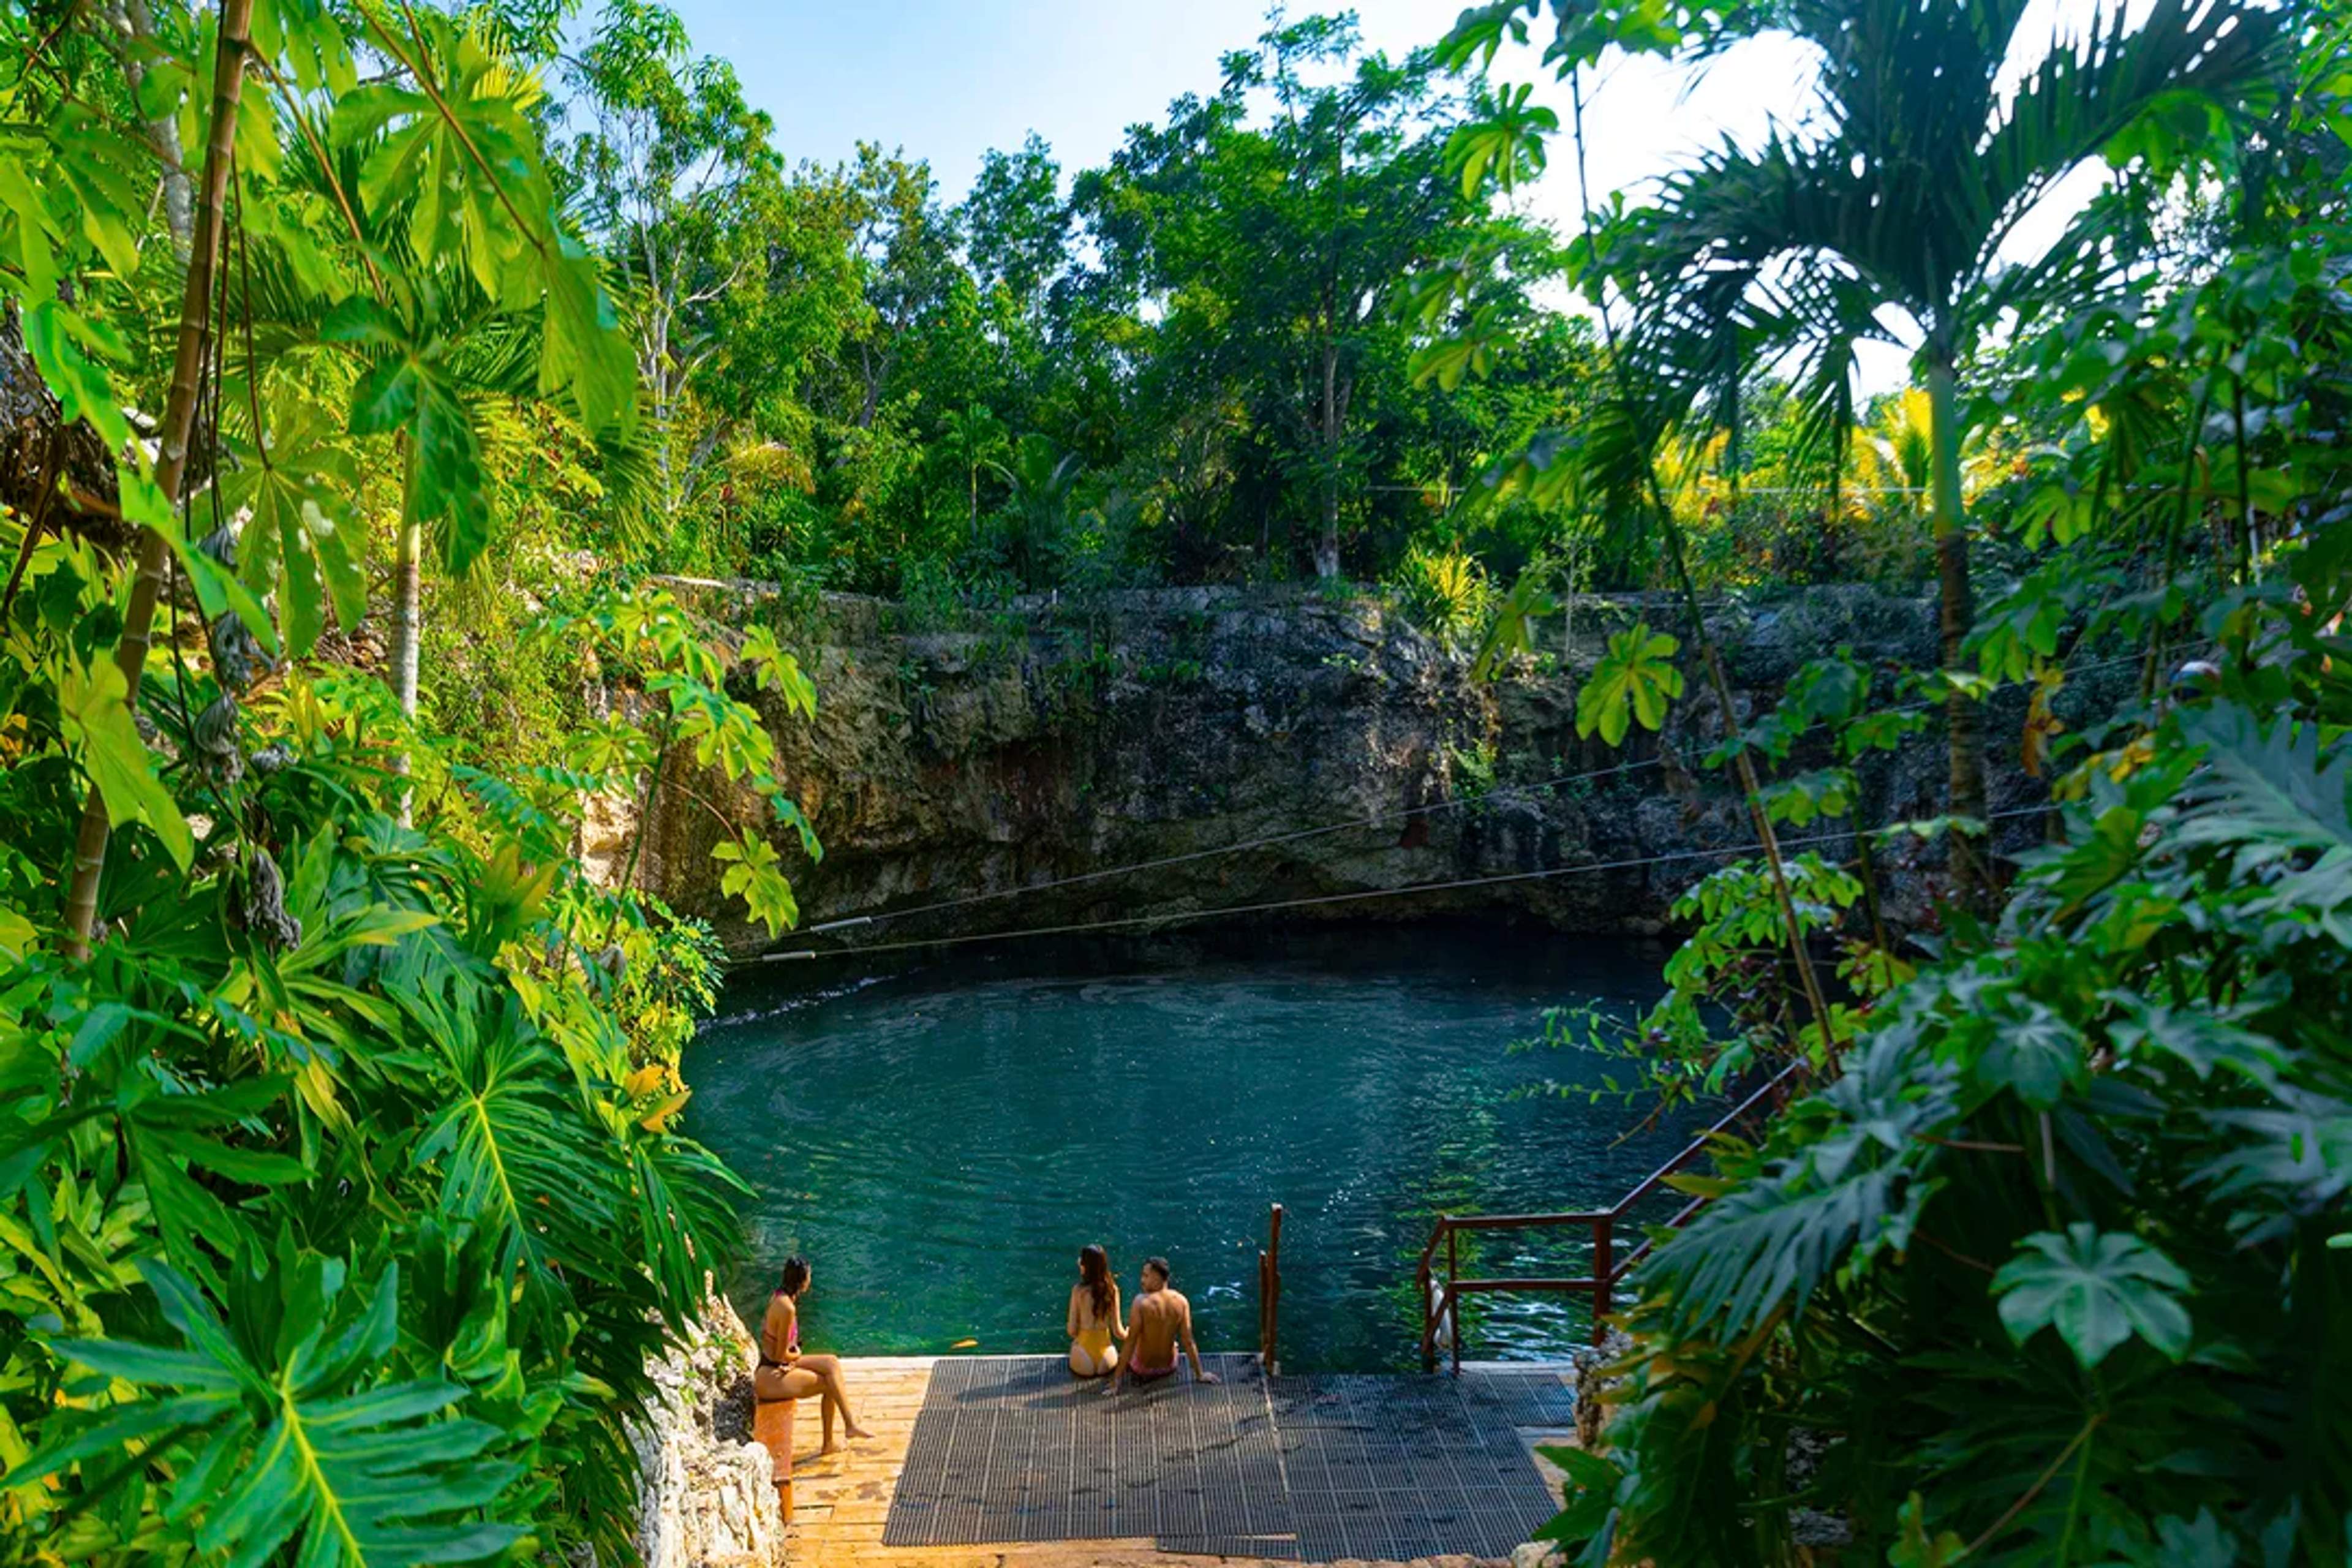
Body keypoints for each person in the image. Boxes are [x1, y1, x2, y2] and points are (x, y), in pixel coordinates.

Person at [755, 1256, 872, 1460]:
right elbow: (782, 1355)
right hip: (770, 1375)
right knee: (829, 1385)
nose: (810, 1280)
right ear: (802, 1281)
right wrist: (797, 1354)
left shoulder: (781, 1296)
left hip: (777, 1364)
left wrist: (791, 1356)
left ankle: (850, 1425)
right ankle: (831, 1441)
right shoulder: (787, 1309)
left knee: (831, 1363)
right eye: (809, 1276)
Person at [1106, 1256, 1218, 1391]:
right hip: (1169, 1367)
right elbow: (1188, 1341)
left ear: (1158, 1277)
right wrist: (1200, 1374)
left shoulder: (1141, 1302)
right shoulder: (1181, 1301)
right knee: (1175, 1343)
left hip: (1142, 1369)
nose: (1142, 1281)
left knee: (1131, 1335)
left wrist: (1116, 1380)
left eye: (1146, 1276)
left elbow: (1130, 1343)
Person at [1066, 1243, 1125, 1377]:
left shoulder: (1078, 1291)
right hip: (1107, 1358)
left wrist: (1078, 1340)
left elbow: (1072, 1330)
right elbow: (1119, 1333)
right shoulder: (1112, 1291)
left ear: (1085, 1266)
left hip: (1083, 1356)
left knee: (1075, 1345)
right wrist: (1131, 1334)